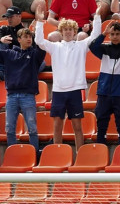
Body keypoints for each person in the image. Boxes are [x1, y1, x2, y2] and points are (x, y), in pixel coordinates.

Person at [34, 17, 100, 150]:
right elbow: (39, 41)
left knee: (77, 126)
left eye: (70, 29)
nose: (68, 32)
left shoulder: (81, 46)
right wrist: (40, 22)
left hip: (75, 91)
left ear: (75, 32)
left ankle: (80, 155)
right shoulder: (55, 47)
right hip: (58, 92)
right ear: (61, 32)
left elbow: (95, 35)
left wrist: (97, 17)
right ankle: (57, 153)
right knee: (57, 126)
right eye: (65, 29)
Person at [0, 24, 44, 148]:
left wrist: (39, 25)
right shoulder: (9, 54)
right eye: (25, 36)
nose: (29, 39)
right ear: (19, 39)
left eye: (30, 37)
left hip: (28, 96)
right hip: (12, 96)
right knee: (9, 129)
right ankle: (11, 154)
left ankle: (34, 154)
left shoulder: (35, 55)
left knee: (32, 128)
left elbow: (42, 46)